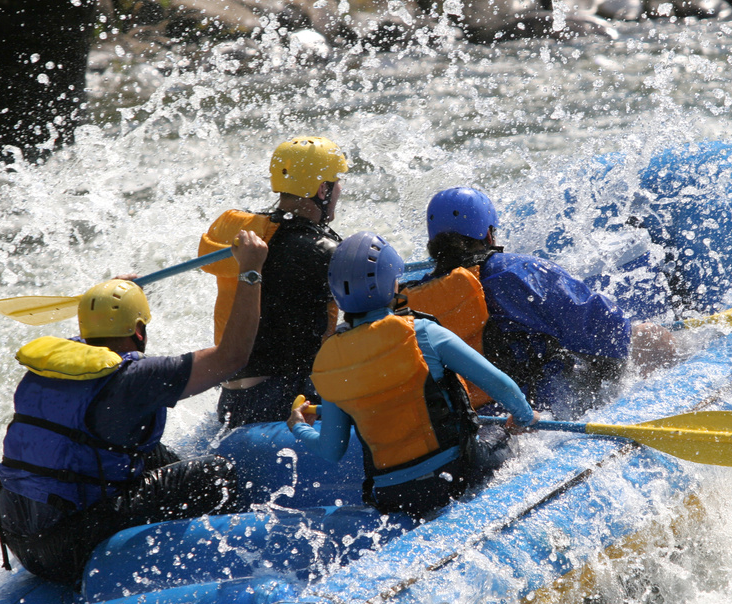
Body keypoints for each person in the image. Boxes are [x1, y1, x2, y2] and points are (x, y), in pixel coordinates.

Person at [0, 231, 268, 588]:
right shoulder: (135, 380)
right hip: (67, 549)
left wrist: (110, 295)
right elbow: (232, 357)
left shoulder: (53, 361)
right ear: (138, 331)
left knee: (152, 453)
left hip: (20, 536)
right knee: (217, 473)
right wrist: (250, 271)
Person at [287, 232, 538, 518]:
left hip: (392, 496)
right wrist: (524, 418)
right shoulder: (421, 333)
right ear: (388, 285)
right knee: (508, 434)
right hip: (455, 475)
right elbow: (500, 385)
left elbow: (332, 449)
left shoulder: (328, 361)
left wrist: (298, 426)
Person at [401, 186, 678, 418]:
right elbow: (606, 330)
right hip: (533, 413)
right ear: (488, 234)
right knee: (648, 337)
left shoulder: (412, 298)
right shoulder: (515, 272)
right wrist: (636, 335)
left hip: (467, 423)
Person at [198, 136, 349, 428]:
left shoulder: (254, 234)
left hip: (231, 401)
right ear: (322, 189)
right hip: (282, 398)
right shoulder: (322, 251)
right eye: (337, 181)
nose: (340, 188)